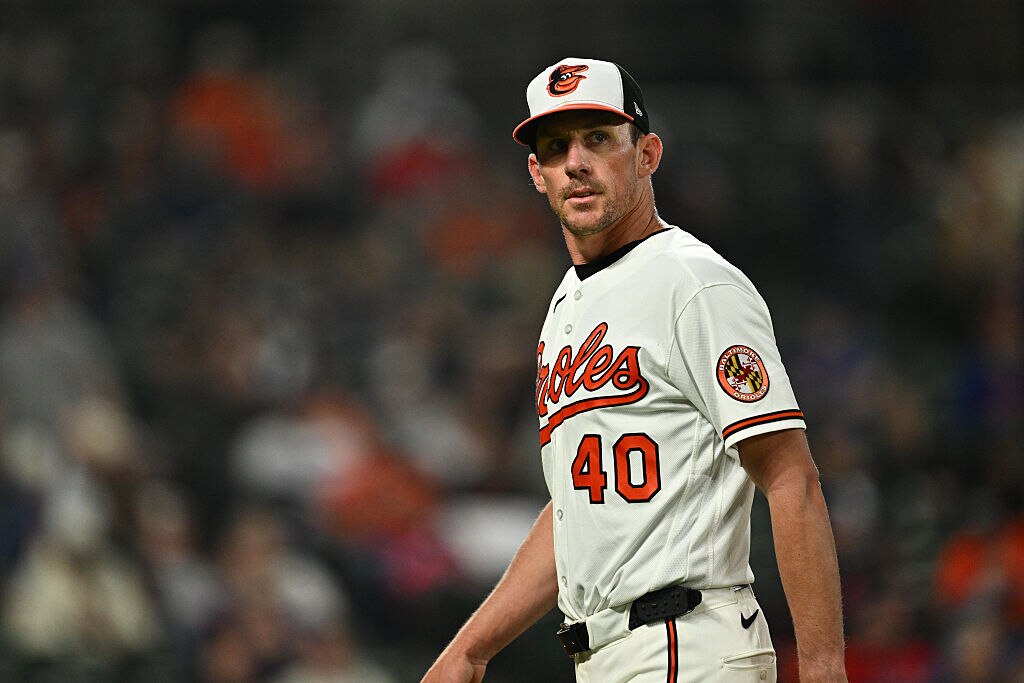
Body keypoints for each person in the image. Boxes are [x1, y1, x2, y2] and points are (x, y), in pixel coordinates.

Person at [422, 57, 847, 682]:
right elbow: (577, 512)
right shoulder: (568, 301)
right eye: (556, 146)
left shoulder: (693, 281)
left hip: (685, 643)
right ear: (536, 174)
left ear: (647, 154)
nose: (576, 161)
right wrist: (469, 649)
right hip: (604, 655)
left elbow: (790, 476)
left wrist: (822, 667)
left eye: (599, 138)